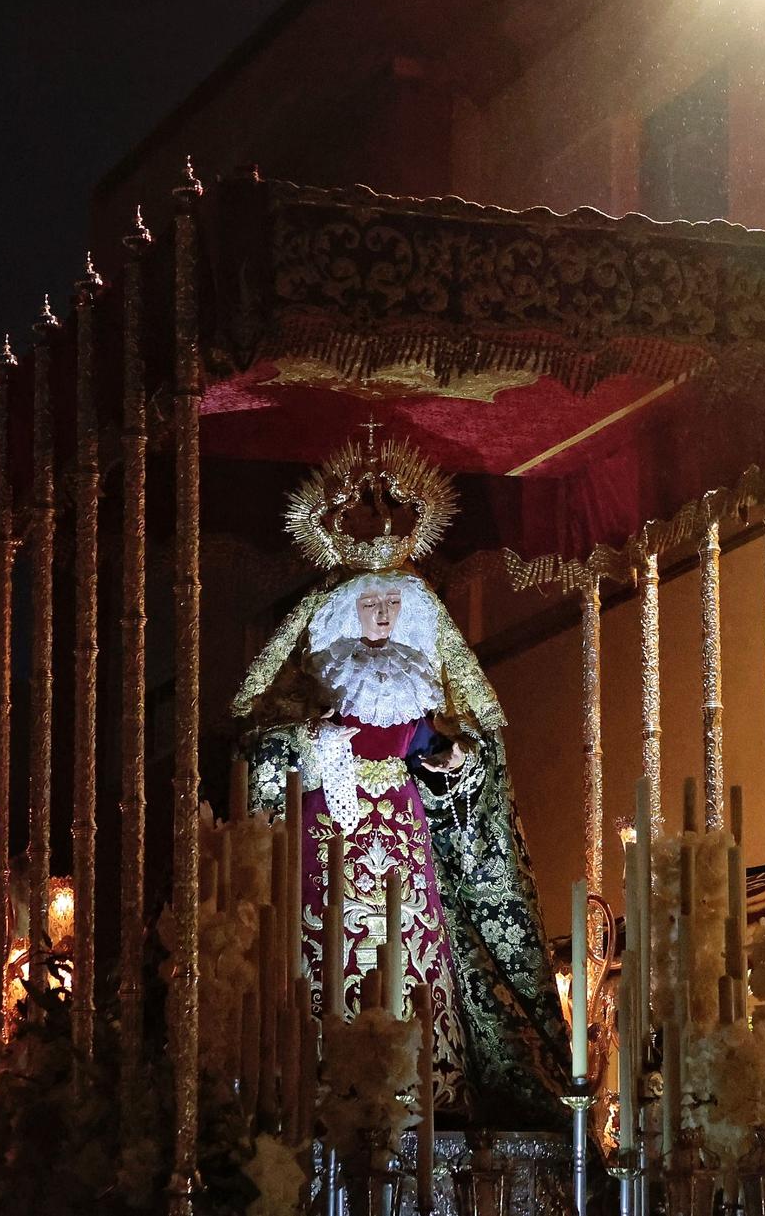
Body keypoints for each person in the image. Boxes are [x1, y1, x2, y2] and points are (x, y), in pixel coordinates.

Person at [233, 435, 570, 1129]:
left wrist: (455, 767)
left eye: (393, 603)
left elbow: (467, 770)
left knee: (419, 977)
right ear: (341, 610)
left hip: (412, 859)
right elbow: (260, 755)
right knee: (332, 978)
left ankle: (434, 1096)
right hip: (328, 859)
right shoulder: (306, 683)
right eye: (369, 605)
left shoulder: (425, 691)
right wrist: (315, 743)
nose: (382, 617)